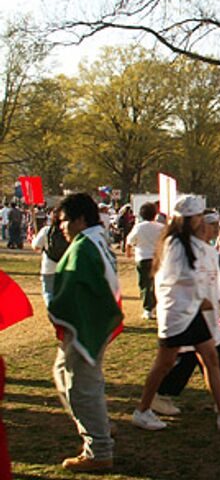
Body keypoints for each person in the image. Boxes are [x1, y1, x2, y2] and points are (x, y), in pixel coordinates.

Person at [131, 195, 220, 432]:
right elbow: (176, 277)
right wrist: (201, 297)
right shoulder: (175, 244)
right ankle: (143, 410)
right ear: (189, 219)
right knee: (165, 363)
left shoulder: (188, 242)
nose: (201, 221)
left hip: (192, 312)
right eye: (198, 216)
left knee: (211, 358)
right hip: (178, 313)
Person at [47, 193, 123, 472]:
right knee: (64, 375)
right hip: (93, 322)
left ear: (80, 219)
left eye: (64, 222)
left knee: (80, 387)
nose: (62, 228)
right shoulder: (97, 238)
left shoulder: (83, 247)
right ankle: (99, 425)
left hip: (85, 326)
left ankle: (99, 449)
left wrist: (57, 311)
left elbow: (71, 290)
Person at [152, 211, 220, 416]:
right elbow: (177, 281)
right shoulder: (181, 249)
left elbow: (212, 284)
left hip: (206, 313)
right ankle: (156, 398)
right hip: (188, 313)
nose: (214, 229)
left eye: (216, 225)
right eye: (209, 224)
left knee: (214, 356)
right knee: (183, 359)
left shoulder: (208, 251)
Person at [126, 202, 165, 320]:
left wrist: (128, 252)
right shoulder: (160, 227)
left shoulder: (139, 227)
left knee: (145, 284)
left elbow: (130, 241)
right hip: (157, 258)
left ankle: (148, 309)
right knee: (156, 284)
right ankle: (156, 307)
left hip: (143, 257)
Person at [31, 206, 69, 307]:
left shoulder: (46, 230)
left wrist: (34, 238)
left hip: (49, 266)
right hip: (65, 265)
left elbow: (36, 246)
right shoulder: (68, 232)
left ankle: (52, 310)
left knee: (48, 291)